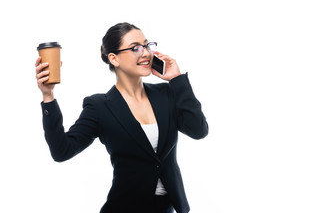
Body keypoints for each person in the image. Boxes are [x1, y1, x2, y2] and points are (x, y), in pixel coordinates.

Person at [35, 22, 209, 213]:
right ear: (114, 59)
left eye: (147, 45)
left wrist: (177, 80)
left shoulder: (166, 94)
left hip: (168, 208)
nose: (145, 53)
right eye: (135, 48)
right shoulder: (99, 107)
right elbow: (62, 151)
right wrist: (48, 96)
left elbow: (198, 130)